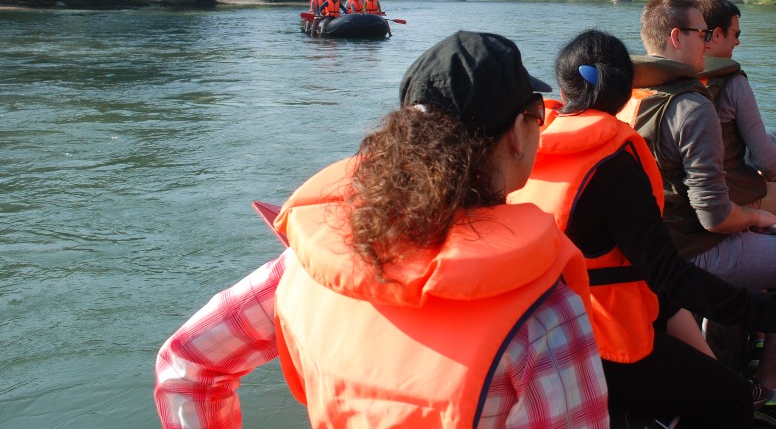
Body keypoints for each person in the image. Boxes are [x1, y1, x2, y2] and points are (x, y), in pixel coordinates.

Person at [155, 31, 610, 428]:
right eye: (537, 116)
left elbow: (187, 367)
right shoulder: (547, 317)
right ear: (516, 133)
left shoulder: (304, 267)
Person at [512, 28, 776, 427]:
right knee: (731, 398)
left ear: (565, 90)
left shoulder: (538, 145)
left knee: (706, 368)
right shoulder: (614, 165)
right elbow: (668, 274)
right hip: (606, 339)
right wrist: (763, 312)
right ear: (623, 90)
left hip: (554, 327)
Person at [618, 0, 776, 396]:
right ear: (677, 37)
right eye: (702, 33)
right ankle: (767, 387)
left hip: (652, 249)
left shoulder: (630, 98)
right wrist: (758, 218)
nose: (708, 42)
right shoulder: (692, 105)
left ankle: (737, 345)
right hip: (692, 250)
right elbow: (716, 218)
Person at [699, 0, 776, 213]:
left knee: (771, 134)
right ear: (716, 35)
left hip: (679, 193)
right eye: (736, 34)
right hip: (726, 196)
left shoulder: (671, 76)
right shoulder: (733, 82)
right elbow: (766, 161)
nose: (738, 41)